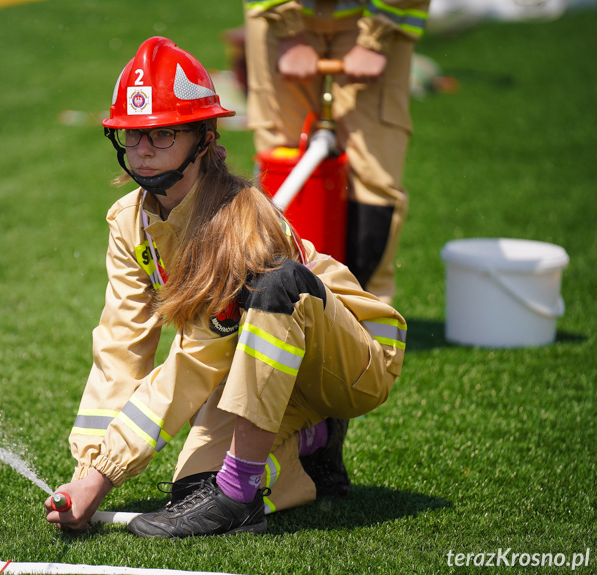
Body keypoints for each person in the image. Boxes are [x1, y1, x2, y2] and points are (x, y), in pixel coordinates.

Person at [44, 36, 406, 538]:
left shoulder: (240, 228)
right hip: (262, 363)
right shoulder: (129, 222)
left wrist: (105, 476)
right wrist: (87, 469)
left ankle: (241, 496)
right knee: (193, 488)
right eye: (132, 135)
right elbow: (121, 344)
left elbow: (198, 359)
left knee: (277, 284)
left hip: (348, 362)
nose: (144, 151)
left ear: (204, 139)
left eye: (163, 135)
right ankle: (314, 447)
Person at [243, 0, 431, 303]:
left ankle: (366, 314)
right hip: (280, 10)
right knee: (282, 160)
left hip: (377, 9)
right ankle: (279, 305)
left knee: (373, 171)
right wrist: (287, 29)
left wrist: (376, 37)